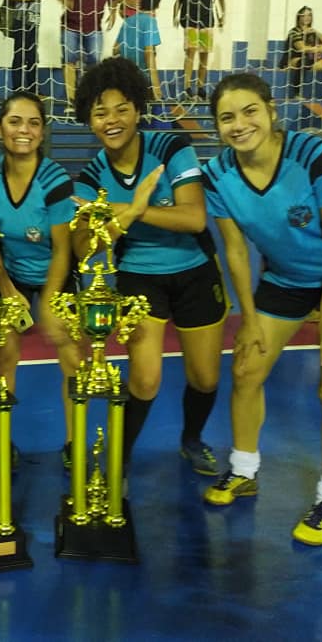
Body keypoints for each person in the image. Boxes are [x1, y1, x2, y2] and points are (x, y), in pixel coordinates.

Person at [201, 73, 322, 546]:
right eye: (227, 117)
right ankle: (243, 470)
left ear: (270, 110)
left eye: (249, 111)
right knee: (245, 371)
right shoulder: (218, 174)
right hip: (285, 278)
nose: (240, 124)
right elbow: (236, 251)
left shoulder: (314, 155)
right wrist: (248, 318)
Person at [73, 57, 228, 481]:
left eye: (122, 108)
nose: (112, 120)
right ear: (89, 119)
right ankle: (118, 458)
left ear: (138, 109)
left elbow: (194, 218)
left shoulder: (171, 147)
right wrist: (133, 212)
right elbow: (85, 247)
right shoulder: (89, 178)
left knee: (206, 377)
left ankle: (192, 440)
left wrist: (126, 212)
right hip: (139, 277)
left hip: (196, 269)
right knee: (144, 379)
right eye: (101, 112)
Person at [0, 91, 81, 467]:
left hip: (54, 274)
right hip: (8, 274)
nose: (23, 130)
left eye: (33, 123)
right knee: (2, 358)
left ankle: (75, 444)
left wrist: (52, 303)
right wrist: (9, 292)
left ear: (42, 133)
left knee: (72, 359)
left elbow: (64, 249)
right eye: (15, 121)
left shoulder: (55, 180)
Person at [55, 0, 121, 113]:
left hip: (93, 27)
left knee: (94, 62)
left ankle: (88, 98)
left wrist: (113, 12)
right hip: (71, 25)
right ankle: (71, 101)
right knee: (70, 60)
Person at [173, 0, 225, 100]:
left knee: (204, 54)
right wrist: (175, 15)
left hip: (207, 22)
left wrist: (222, 16)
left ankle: (201, 87)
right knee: (191, 51)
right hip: (190, 21)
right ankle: (187, 87)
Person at [2, 0, 48, 95]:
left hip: (33, 21)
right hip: (22, 21)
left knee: (32, 57)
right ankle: (17, 89)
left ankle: (32, 89)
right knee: (20, 55)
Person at [281, 6, 322, 99]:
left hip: (312, 60)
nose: (307, 17)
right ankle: (297, 93)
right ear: (299, 17)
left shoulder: (312, 32)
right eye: (304, 15)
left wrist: (316, 32)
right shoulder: (294, 32)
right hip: (293, 60)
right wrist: (317, 49)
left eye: (309, 15)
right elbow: (301, 48)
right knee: (304, 62)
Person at [115, 0, 163, 100]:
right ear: (157, 3)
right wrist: (156, 88)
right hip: (142, 82)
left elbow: (115, 50)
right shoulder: (150, 22)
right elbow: (149, 54)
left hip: (124, 78)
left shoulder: (128, 21)